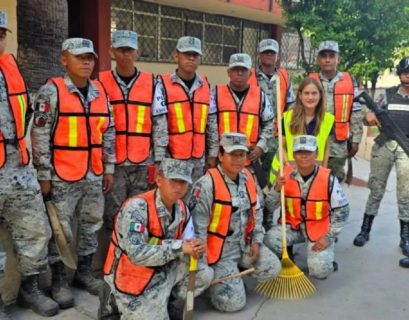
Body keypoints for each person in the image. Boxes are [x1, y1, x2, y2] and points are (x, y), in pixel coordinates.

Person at [31, 38, 115, 308]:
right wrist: (44, 174)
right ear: (63, 59)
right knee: (61, 229)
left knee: (92, 224)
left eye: (89, 57)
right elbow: (40, 134)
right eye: (79, 57)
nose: (86, 62)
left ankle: (84, 273)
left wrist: (108, 167)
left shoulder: (100, 92)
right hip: (61, 174)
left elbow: (108, 132)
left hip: (94, 173)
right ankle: (59, 280)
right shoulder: (51, 91)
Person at [101, 158, 213, 320]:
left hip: (160, 269)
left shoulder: (182, 209)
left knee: (204, 273)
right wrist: (179, 247)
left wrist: (195, 247)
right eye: (173, 180)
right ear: (159, 180)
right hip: (131, 275)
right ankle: (112, 301)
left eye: (183, 182)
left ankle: (163, 300)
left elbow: (187, 244)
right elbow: (137, 255)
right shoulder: (137, 208)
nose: (179, 187)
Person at [0, 11, 59, 317]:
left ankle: (30, 288)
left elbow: (27, 118)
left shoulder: (13, 69)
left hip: (18, 168)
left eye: (0, 34)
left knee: (36, 230)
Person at [189, 132, 281, 312]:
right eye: (233, 154)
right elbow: (196, 231)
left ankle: (233, 276)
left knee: (272, 268)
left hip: (243, 245)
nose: (238, 160)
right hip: (219, 254)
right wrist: (203, 269)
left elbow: (258, 211)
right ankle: (213, 286)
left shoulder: (248, 178)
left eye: (242, 154)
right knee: (234, 304)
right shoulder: (206, 185)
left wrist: (256, 241)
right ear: (221, 155)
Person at [264, 135, 349, 279]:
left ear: (316, 153)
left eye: (308, 152)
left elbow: (342, 212)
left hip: (318, 229)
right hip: (292, 227)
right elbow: (269, 207)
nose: (303, 155)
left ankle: (324, 258)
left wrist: (329, 237)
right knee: (270, 239)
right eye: (299, 151)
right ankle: (287, 257)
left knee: (320, 271)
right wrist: (276, 189)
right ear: (293, 154)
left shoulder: (327, 178)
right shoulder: (284, 174)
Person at [99, 30, 157, 230]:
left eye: (130, 50)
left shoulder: (152, 83)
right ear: (112, 51)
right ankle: (115, 257)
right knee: (113, 215)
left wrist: (158, 160)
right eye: (121, 49)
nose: (125, 54)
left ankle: (135, 258)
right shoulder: (100, 82)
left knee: (140, 213)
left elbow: (159, 123)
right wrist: (106, 164)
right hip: (114, 164)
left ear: (138, 52)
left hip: (143, 162)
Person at [353, 57, 409, 258]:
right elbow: (368, 116)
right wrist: (368, 118)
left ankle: (405, 236)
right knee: (376, 188)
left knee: (405, 194)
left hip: (406, 147)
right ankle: (365, 229)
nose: (407, 76)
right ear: (399, 73)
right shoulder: (388, 94)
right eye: (405, 72)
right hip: (384, 143)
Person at [154, 36, 218, 189]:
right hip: (172, 159)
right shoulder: (162, 84)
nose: (191, 58)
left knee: (194, 201)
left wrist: (212, 154)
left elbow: (212, 123)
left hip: (198, 160)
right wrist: (159, 159)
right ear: (176, 56)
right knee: (171, 201)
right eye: (186, 54)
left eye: (195, 55)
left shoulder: (206, 86)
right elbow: (159, 126)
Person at [309, 40, 363, 182]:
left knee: (334, 182)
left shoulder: (349, 81)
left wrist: (356, 140)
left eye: (331, 56)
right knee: (312, 181)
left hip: (339, 143)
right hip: (314, 140)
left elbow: (356, 112)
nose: (327, 59)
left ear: (338, 59)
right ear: (318, 59)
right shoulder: (310, 81)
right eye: (323, 56)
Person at [269, 77, 334, 185]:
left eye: (314, 93)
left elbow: (326, 149)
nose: (310, 97)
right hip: (288, 174)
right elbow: (282, 146)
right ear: (300, 95)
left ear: (320, 95)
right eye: (306, 93)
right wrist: (289, 169)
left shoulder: (328, 119)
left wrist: (323, 172)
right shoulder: (287, 118)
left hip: (313, 174)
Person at [249, 38, 295, 175]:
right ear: (259, 55)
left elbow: (290, 104)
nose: (269, 55)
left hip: (276, 137)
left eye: (272, 52)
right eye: (265, 52)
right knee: (253, 174)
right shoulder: (249, 75)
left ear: (277, 56)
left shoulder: (284, 76)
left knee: (272, 175)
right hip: (253, 137)